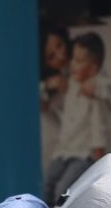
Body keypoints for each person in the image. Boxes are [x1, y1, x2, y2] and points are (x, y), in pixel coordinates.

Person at [43, 32, 111, 206]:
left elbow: (101, 119)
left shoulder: (96, 86)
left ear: (93, 67)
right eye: (73, 58)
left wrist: (98, 147)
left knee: (63, 190)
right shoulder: (71, 82)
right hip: (64, 150)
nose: (72, 64)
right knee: (48, 185)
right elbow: (58, 106)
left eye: (79, 61)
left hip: (84, 153)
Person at [39, 26, 71, 174]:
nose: (60, 55)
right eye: (51, 56)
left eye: (60, 45)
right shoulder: (49, 83)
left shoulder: (85, 63)